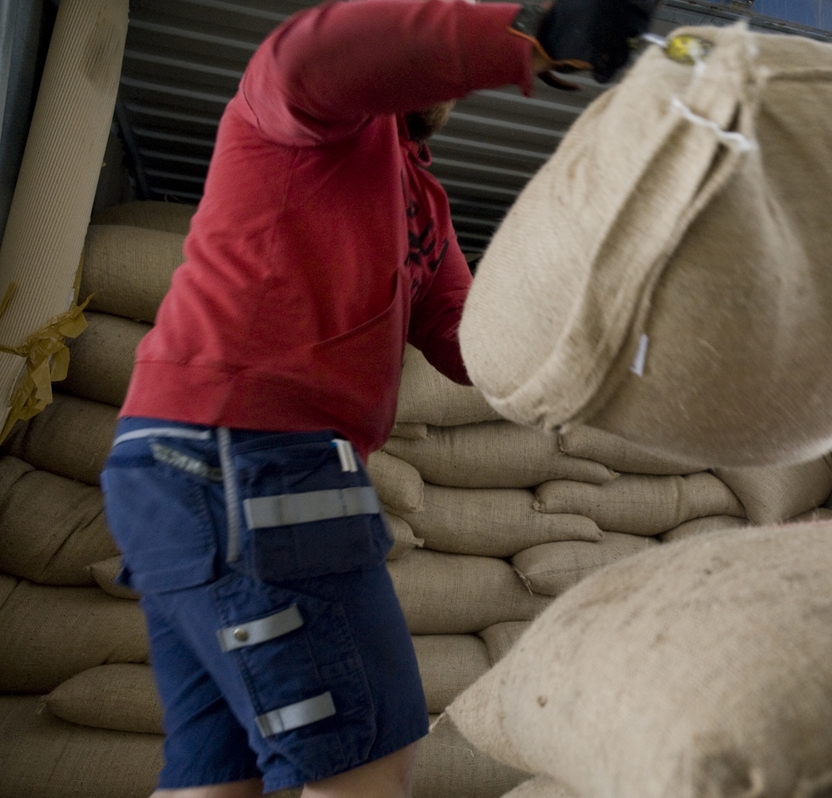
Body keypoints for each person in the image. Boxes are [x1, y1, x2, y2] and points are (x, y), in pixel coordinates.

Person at [97, 1, 654, 796]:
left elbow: (469, 337)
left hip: (187, 473)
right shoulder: (302, 106)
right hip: (251, 460)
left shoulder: (420, 197)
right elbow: (324, 55)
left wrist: (608, 349)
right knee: (365, 761)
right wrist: (538, 31)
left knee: (216, 775)